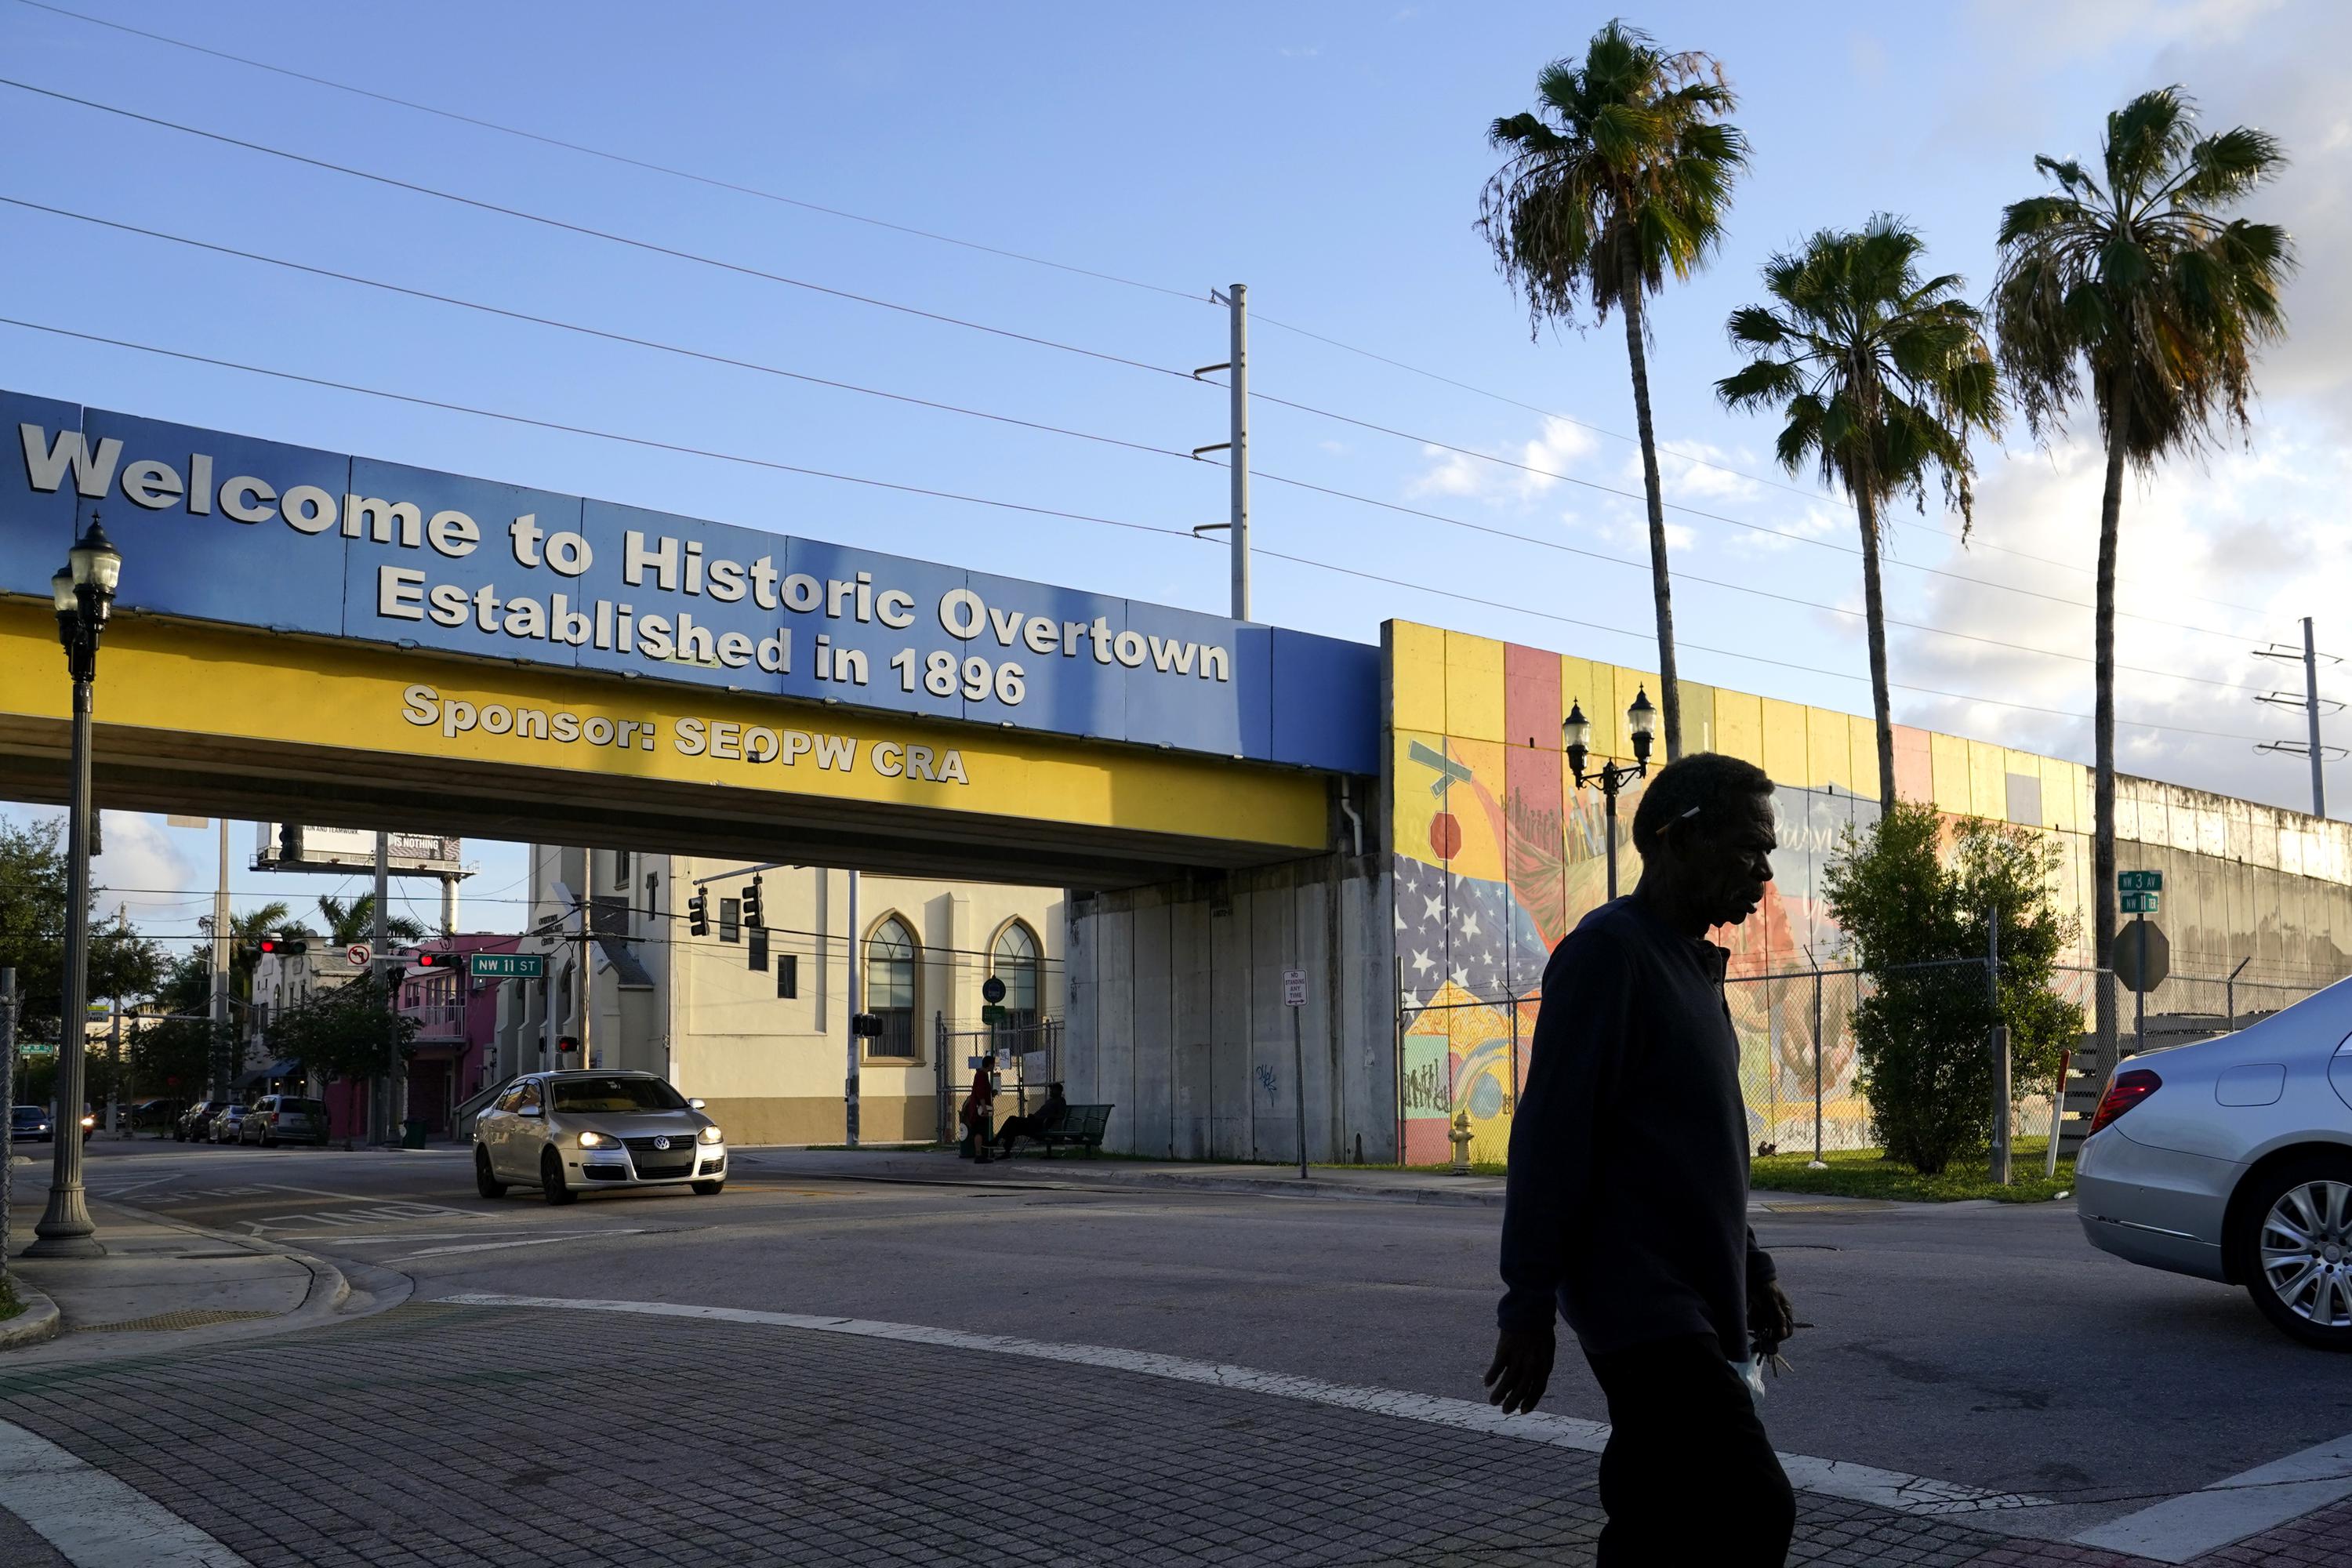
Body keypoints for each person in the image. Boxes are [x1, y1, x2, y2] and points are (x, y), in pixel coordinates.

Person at [1483, 752, 1798, 1566]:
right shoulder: (1609, 955)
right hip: (1640, 1301)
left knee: (1660, 1512)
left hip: (1693, 1292)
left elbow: (1694, 1149)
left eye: (1768, 853)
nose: (1763, 871)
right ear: (1677, 838)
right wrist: (1528, 1305)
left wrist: (1752, 1264)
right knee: (1751, 1502)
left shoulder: (1693, 965)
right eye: (1747, 847)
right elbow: (1550, 1139)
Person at [993, 1080, 1070, 1154]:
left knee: (1012, 1119)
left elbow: (1061, 1115)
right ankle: (1006, 1151)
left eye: (1053, 1089)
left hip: (1040, 1125)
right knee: (1013, 1126)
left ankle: (996, 1141)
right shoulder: (1050, 1101)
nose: (1051, 1091)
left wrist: (1045, 1117)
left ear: (1059, 1091)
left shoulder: (1060, 1101)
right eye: (1051, 1089)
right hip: (1034, 1122)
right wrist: (1033, 1116)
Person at [957, 1061, 996, 1161]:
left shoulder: (982, 1075)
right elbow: (980, 1093)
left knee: (982, 1131)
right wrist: (984, 1108)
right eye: (993, 1064)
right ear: (989, 1064)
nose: (994, 1067)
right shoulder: (981, 1076)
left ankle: (981, 1153)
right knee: (979, 1131)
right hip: (979, 1109)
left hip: (980, 1107)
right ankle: (979, 1154)